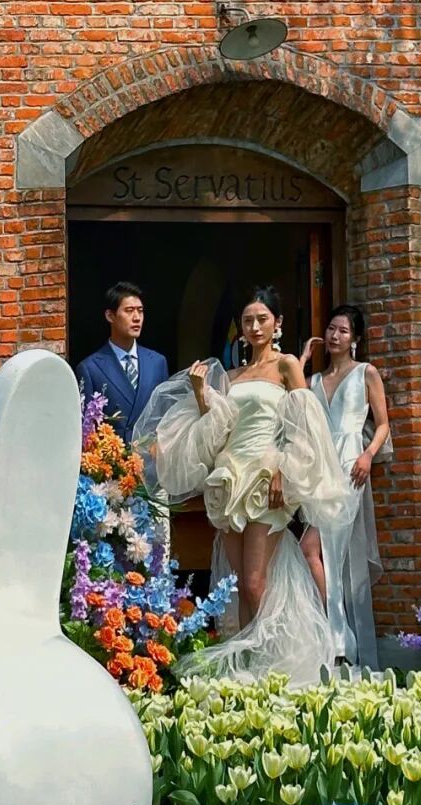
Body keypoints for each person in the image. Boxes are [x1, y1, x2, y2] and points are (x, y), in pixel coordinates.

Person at [133, 285, 357, 687]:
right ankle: (253, 672)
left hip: (266, 478)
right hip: (230, 477)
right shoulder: (232, 375)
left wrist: (283, 468)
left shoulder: (287, 366)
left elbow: (305, 424)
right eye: (248, 320)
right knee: (241, 585)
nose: (254, 327)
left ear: (277, 324)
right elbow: (217, 429)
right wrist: (201, 393)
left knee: (255, 582)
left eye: (262, 319)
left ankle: (273, 667)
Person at [299, 306, 391, 667]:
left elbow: (382, 424)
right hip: (321, 471)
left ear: (355, 338)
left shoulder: (366, 373)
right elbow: (296, 413)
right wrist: (302, 362)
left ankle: (338, 640)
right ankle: (338, 639)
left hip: (351, 468)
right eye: (331, 329)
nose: (335, 336)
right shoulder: (312, 381)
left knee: (318, 550)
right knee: (318, 553)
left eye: (343, 331)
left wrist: (368, 454)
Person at [75, 282, 169, 441]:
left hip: (150, 453)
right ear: (110, 316)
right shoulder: (90, 368)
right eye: (129, 311)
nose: (137, 318)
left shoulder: (157, 363)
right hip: (113, 454)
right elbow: (86, 429)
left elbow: (166, 415)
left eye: (140, 311)